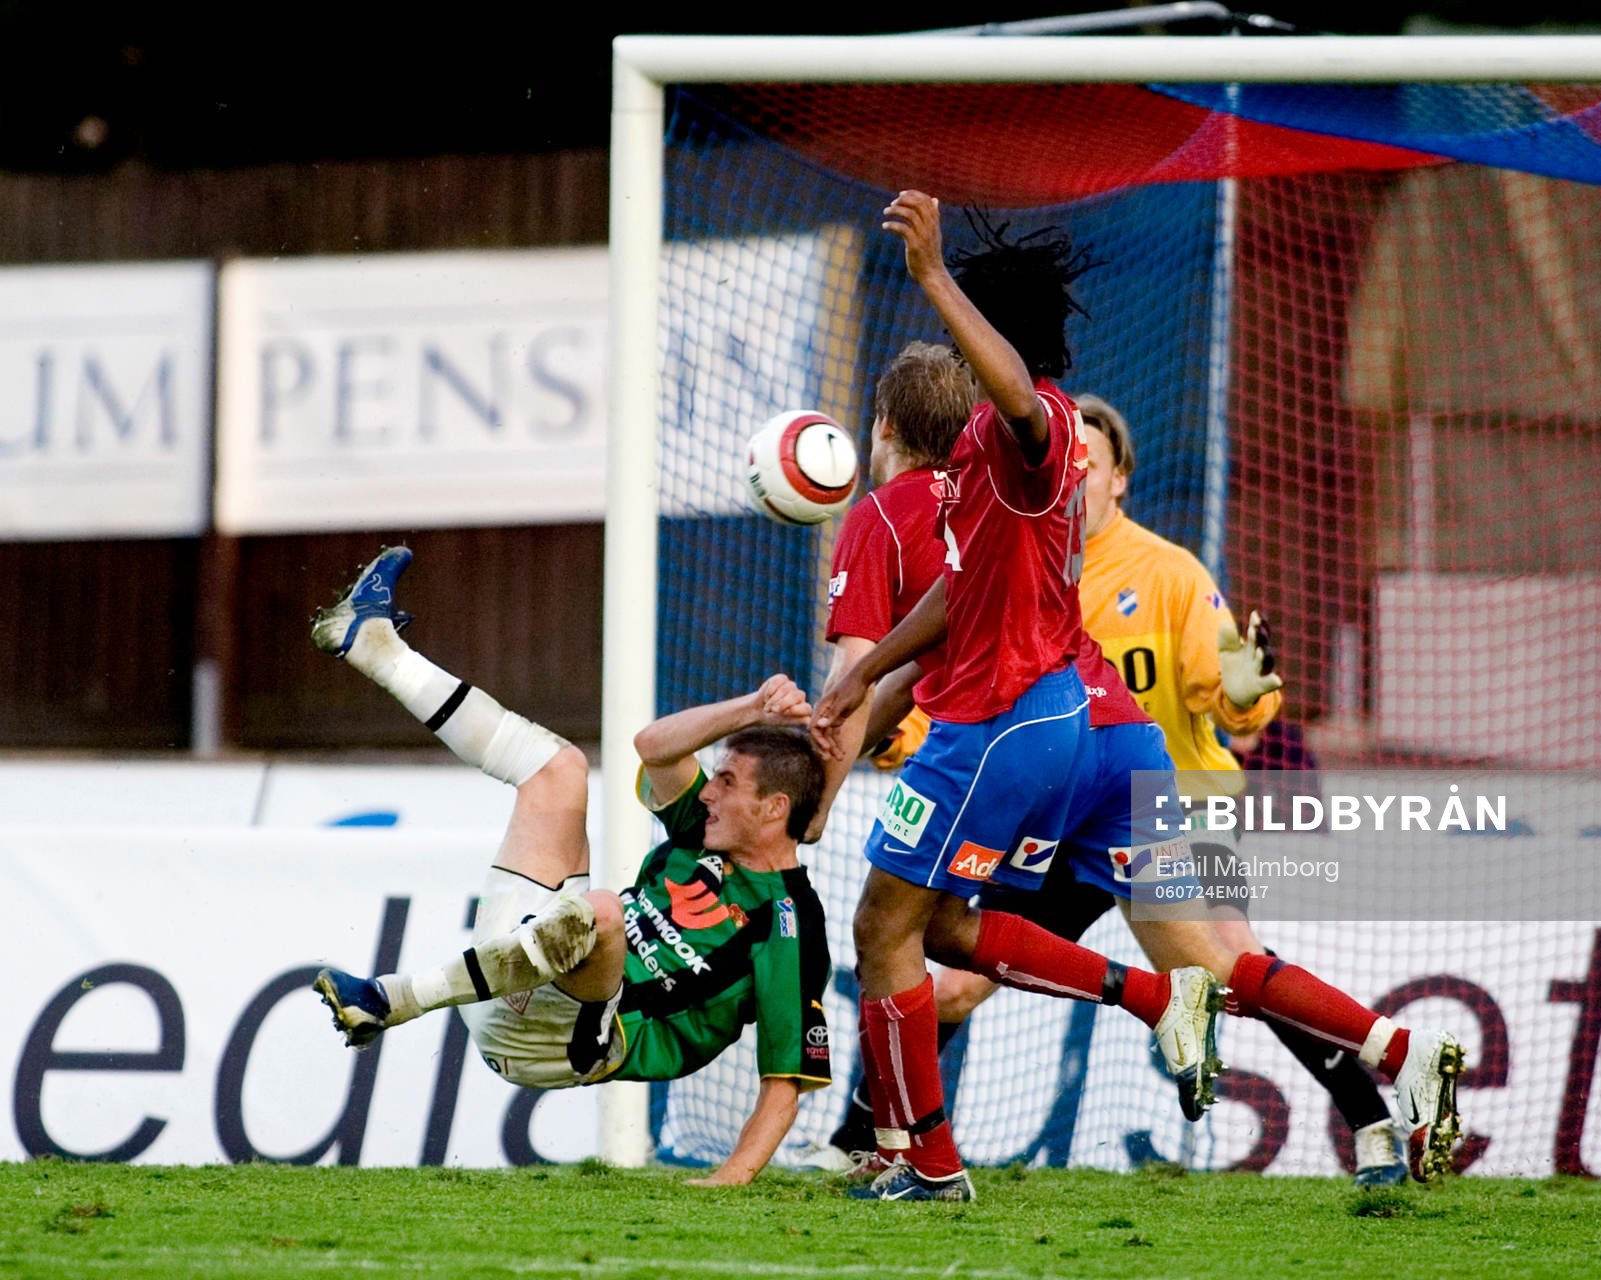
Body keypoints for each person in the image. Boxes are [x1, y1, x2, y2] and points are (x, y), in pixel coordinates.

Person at [824, 393, 1414, 1185]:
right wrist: (901, 738)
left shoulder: (1169, 573)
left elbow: (1234, 706)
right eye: (1070, 464)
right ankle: (866, 1138)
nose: (1075, 478)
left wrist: (1248, 691)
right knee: (954, 979)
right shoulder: (1020, 555)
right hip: (1056, 820)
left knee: (1229, 962)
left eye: (1089, 467)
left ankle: (1373, 1119)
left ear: (1119, 480)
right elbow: (984, 700)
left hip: (1168, 803)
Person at [810, 193, 1225, 1204]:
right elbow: (959, 589)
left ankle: (924, 1161)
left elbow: (1021, 399)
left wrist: (933, 276)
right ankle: (1146, 998)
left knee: (880, 928)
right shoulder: (978, 456)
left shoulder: (1038, 430)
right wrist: (870, 672)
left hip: (1004, 720)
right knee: (941, 929)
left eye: (964, 338)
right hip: (999, 714)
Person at [307, 547, 832, 1187]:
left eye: (726, 781)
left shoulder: (789, 924)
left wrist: (732, 1177)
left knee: (604, 912)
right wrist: (751, 709)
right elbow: (653, 746)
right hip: (519, 969)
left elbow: (785, 1082)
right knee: (558, 770)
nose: (709, 791)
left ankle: (392, 998)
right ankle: (377, 648)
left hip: (575, 1041)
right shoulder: (705, 832)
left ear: (773, 809)